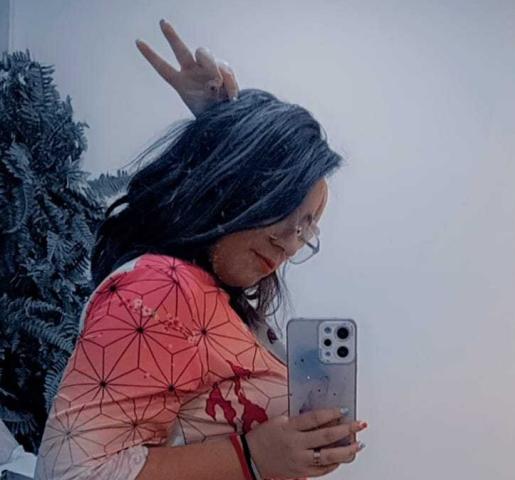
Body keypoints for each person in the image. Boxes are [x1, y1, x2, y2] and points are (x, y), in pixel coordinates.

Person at [33, 20, 367, 480]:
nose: (289, 243)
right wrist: (252, 457)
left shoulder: (211, 294)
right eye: (286, 211)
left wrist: (223, 122)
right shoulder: (160, 287)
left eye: (305, 230)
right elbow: (69, 473)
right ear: (235, 182)